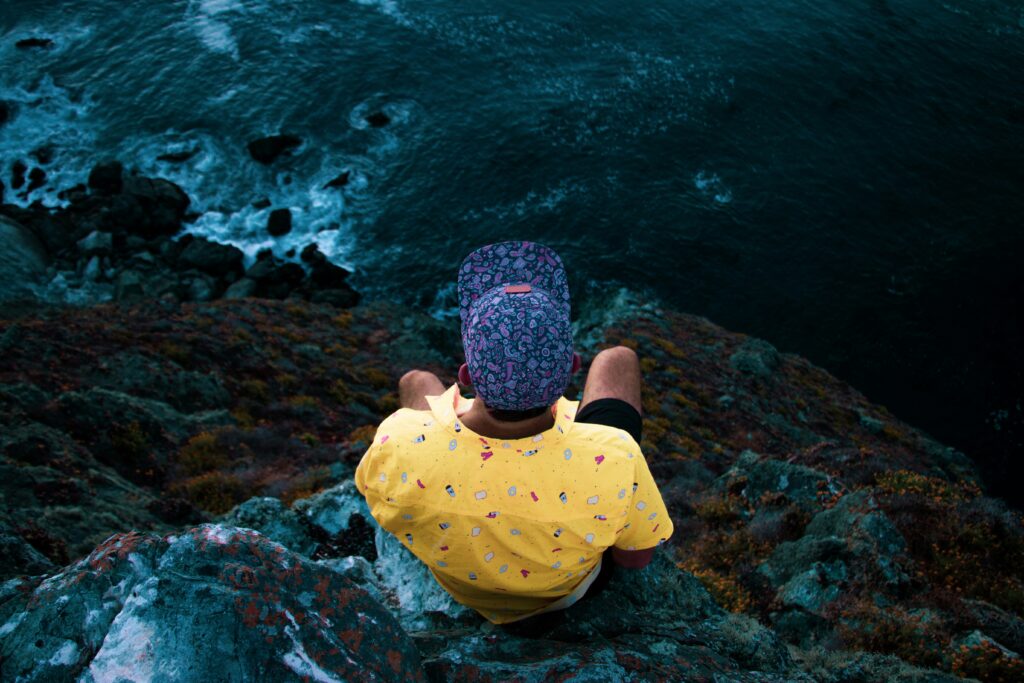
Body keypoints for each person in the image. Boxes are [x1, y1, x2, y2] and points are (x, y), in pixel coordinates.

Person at [354, 241, 673, 625]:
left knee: (416, 380)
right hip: (564, 592)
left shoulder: (397, 439)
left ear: (466, 376)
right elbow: (633, 559)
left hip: (461, 585)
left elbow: (385, 510)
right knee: (616, 358)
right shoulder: (616, 455)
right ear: (571, 368)